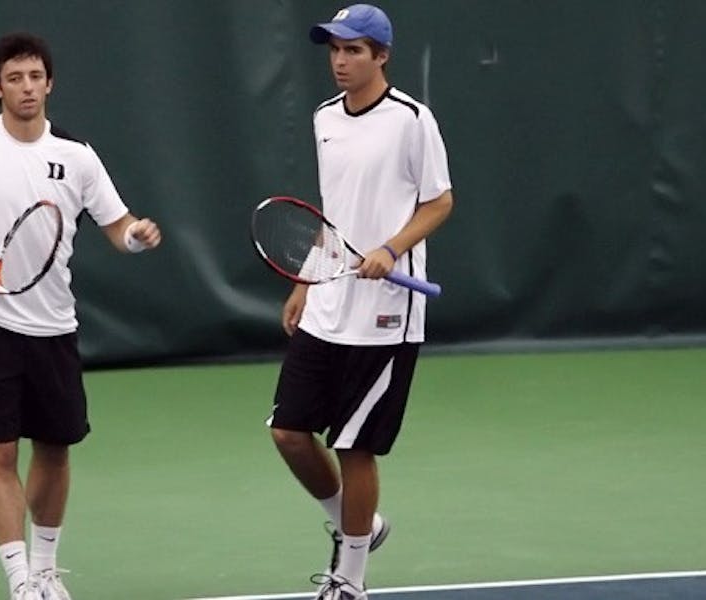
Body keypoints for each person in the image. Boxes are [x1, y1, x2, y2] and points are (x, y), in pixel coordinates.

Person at [0, 32, 161, 600]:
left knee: (54, 448)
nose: (26, 88)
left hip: (55, 326)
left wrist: (139, 237)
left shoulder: (77, 157)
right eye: (14, 78)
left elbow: (119, 228)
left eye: (35, 77)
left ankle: (48, 571)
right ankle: (21, 580)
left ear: (49, 83)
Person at [267, 5, 453, 600]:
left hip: (386, 319)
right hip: (329, 304)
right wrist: (305, 281)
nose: (340, 61)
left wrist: (392, 248)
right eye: (335, 50)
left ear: (381, 56)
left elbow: (439, 201)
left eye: (353, 50)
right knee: (289, 434)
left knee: (354, 445)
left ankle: (350, 581)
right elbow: (330, 217)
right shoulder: (324, 118)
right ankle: (362, 526)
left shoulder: (412, 121)